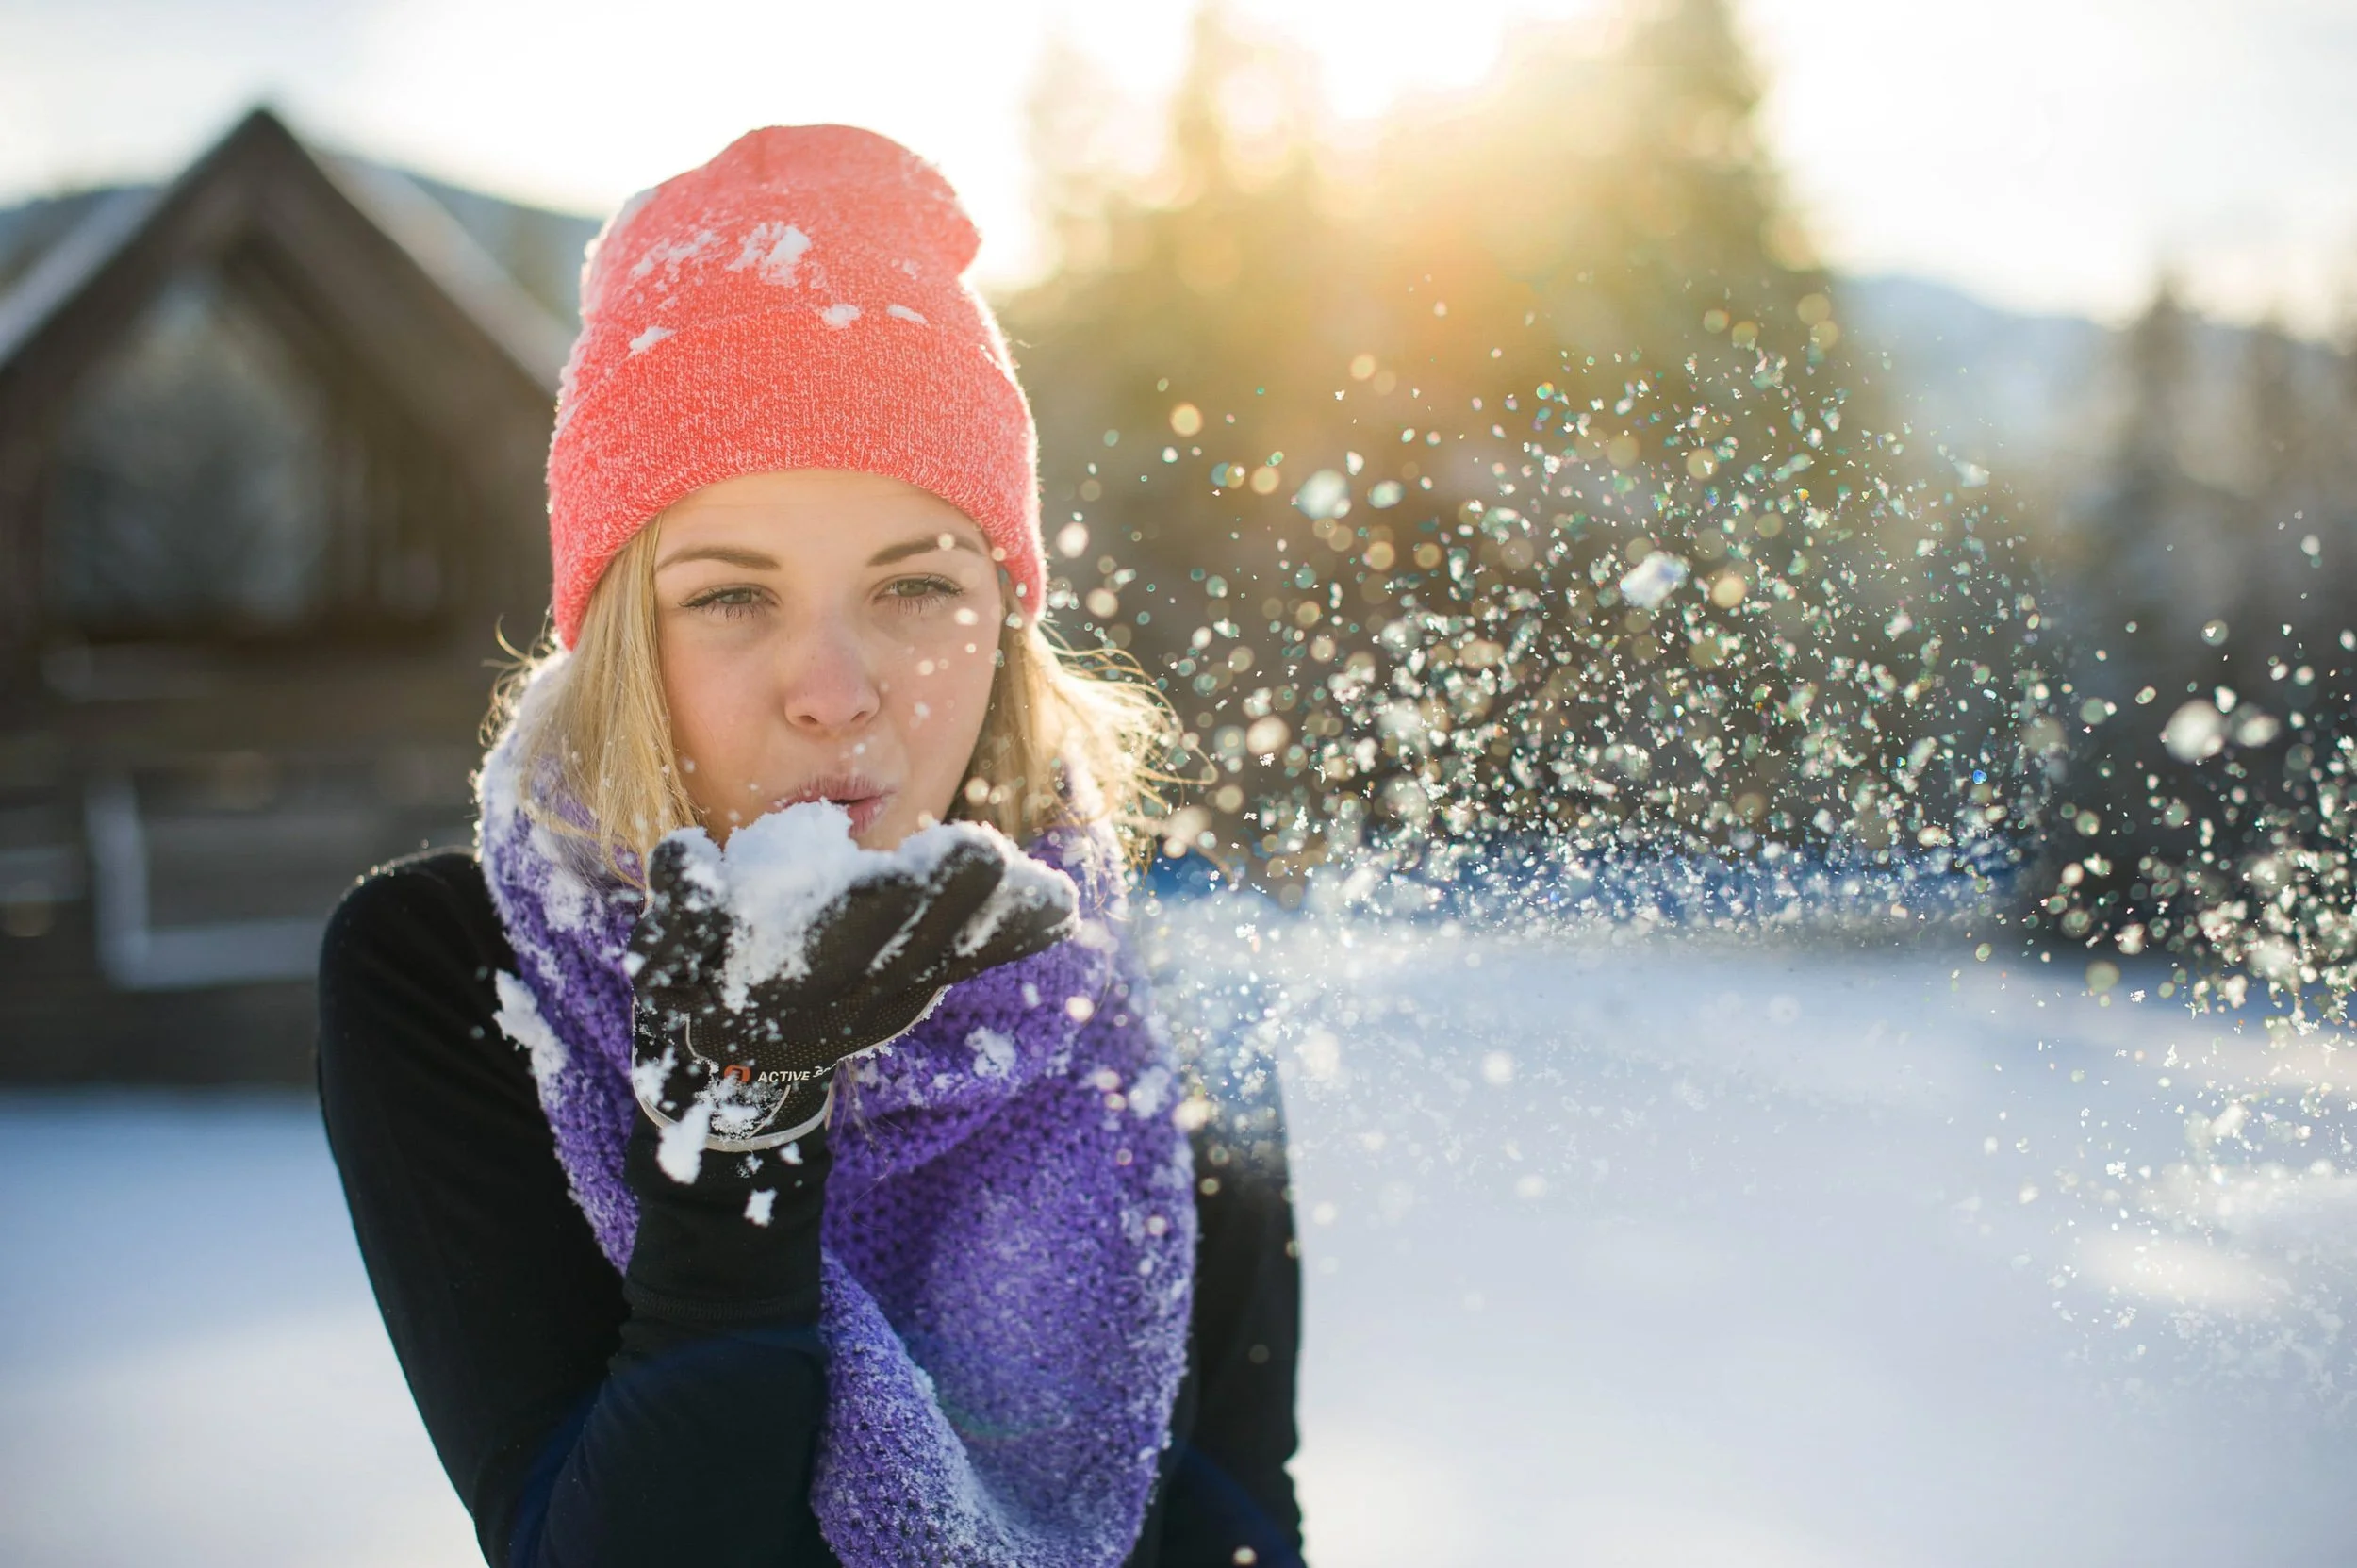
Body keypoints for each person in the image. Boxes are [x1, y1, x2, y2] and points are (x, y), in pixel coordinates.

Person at [316, 124, 1303, 1568]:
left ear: (1009, 617)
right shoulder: (464, 973)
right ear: (622, 648)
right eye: (730, 598)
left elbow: (1244, 1524)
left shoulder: (1160, 996)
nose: (834, 686)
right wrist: (742, 1119)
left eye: (914, 586)